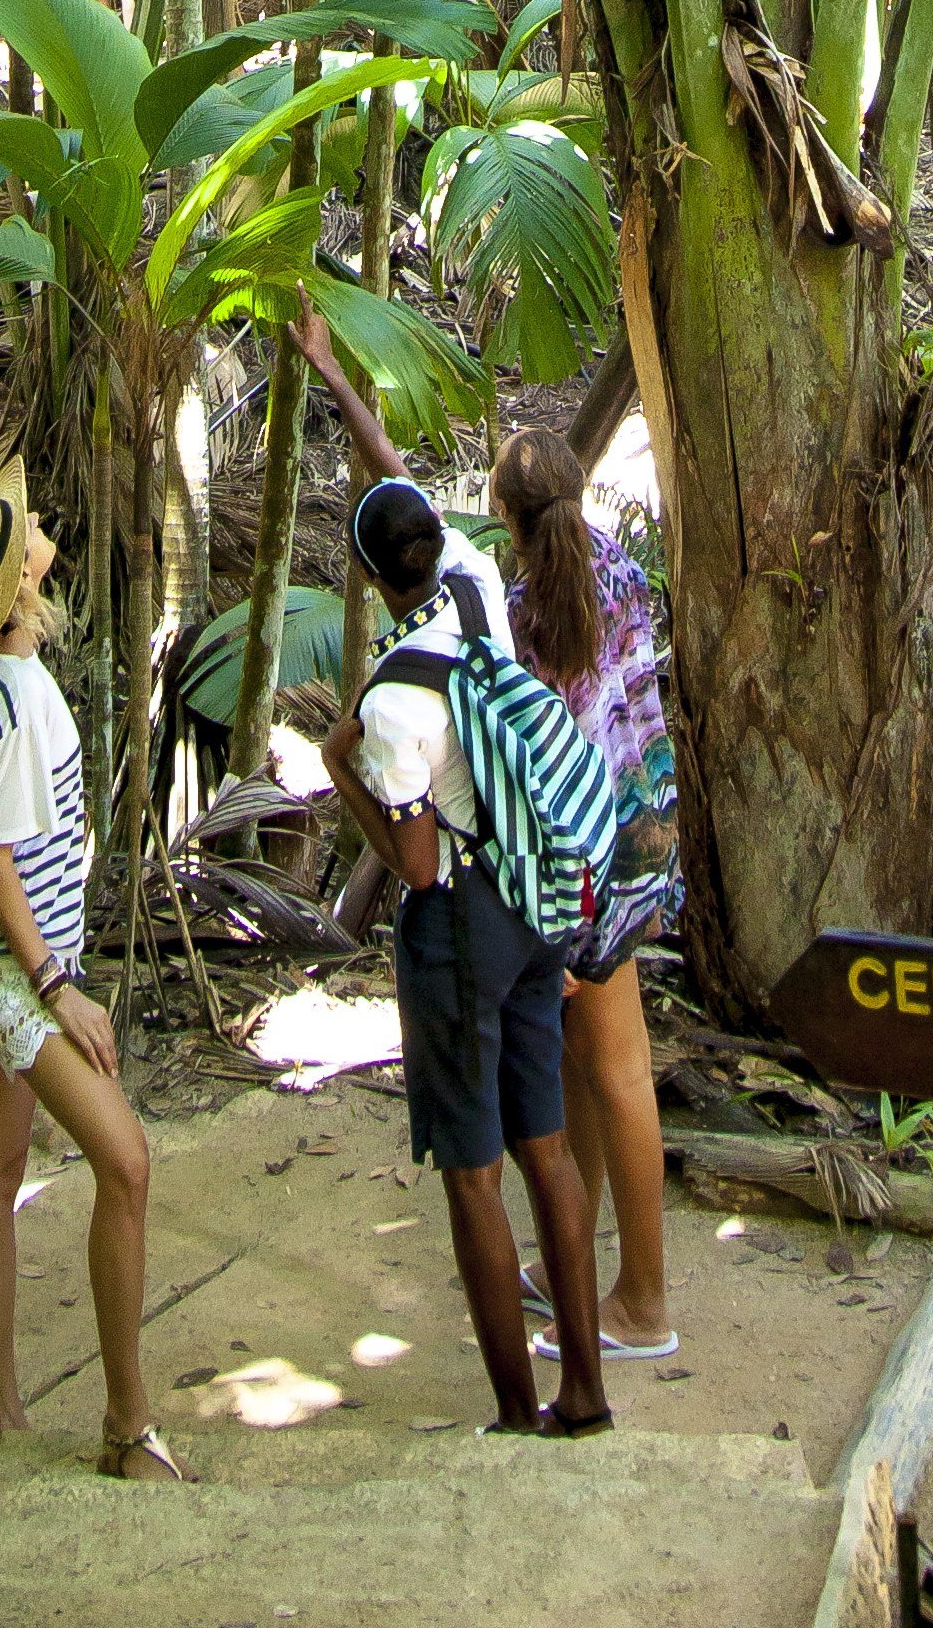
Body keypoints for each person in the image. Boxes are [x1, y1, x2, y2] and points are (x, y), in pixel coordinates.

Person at [0, 464, 186, 1482]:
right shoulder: (15, 701)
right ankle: (128, 1427)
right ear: (17, 585)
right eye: (28, 537)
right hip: (14, 977)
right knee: (127, 1163)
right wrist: (58, 982)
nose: (43, 532)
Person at [316, 476, 611, 1436]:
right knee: (548, 1149)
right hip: (533, 899)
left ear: (367, 576)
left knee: (473, 1174)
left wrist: (337, 770)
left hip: (460, 929)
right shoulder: (478, 586)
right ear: (438, 541)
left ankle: (515, 1416)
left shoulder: (396, 700)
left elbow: (413, 860)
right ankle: (586, 1391)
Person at [488, 428, 683, 1365]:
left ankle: (643, 1301)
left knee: (618, 1069)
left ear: (508, 521)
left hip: (581, 868)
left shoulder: (523, 612)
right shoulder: (618, 569)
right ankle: (576, 1254)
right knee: (584, 1059)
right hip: (644, 834)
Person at [288, 308, 512, 653]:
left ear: (365, 573)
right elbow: (394, 473)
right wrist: (330, 369)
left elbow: (396, 476)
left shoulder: (394, 682)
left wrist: (330, 368)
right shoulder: (477, 575)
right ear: (433, 531)